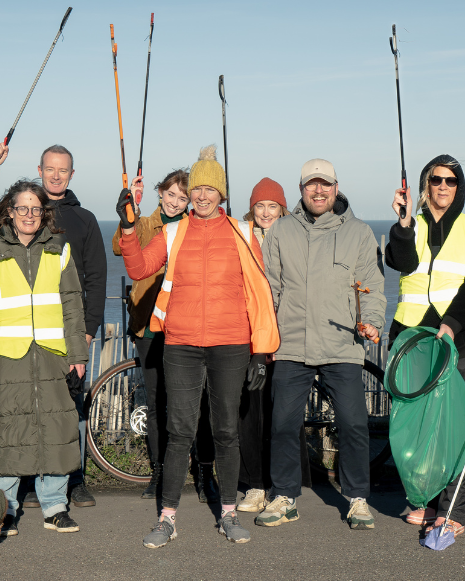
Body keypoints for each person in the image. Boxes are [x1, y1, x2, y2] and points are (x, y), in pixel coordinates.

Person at [117, 145, 279, 548]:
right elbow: (138, 268)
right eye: (197, 189)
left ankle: (227, 513)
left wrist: (262, 350)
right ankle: (167, 518)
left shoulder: (241, 233)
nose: (203, 196)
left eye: (211, 190)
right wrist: (127, 228)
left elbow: (259, 293)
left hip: (231, 344)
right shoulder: (174, 232)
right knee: (179, 432)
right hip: (183, 344)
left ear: (222, 195)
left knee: (226, 431)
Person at [0, 143, 106, 508]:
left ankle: (68, 488)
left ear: (71, 174)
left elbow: (91, 282)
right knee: (17, 420)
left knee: (63, 420)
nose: (57, 175)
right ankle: (18, 494)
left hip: (59, 345)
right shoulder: (10, 226)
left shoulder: (83, 221)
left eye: (63, 170)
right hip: (14, 350)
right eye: (50, 169)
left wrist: (86, 334)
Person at [257, 159, 385, 531]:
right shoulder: (281, 231)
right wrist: (268, 337)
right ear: (301, 190)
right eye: (311, 185)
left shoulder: (359, 233)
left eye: (324, 185)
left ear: (335, 187)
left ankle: (358, 498)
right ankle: (284, 496)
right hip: (291, 344)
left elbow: (373, 286)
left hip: (341, 343)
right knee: (282, 424)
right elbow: (271, 289)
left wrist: (373, 322)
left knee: (354, 423)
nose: (318, 191)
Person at [385, 155, 465, 537]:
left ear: (459, 187)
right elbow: (399, 261)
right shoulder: (408, 226)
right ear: (424, 185)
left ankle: (454, 508)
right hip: (413, 339)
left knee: (459, 428)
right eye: (436, 180)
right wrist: (402, 224)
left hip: (461, 340)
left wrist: (451, 323)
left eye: (451, 181)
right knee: (420, 426)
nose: (443, 186)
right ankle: (426, 501)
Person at [113, 169, 220, 503]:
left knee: (199, 403)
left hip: (186, 326)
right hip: (149, 326)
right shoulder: (146, 225)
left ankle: (204, 471)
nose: (175, 202)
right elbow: (120, 246)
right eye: (171, 194)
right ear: (161, 193)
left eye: (182, 197)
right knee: (158, 402)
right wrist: (129, 214)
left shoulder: (193, 228)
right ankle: (159, 472)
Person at [235, 177, 290, 513]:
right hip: (248, 336)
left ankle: (281, 484)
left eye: (272, 206)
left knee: (280, 415)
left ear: (282, 209)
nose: (266, 212)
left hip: (284, 338)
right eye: (260, 205)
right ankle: (254, 485)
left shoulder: (293, 237)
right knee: (249, 414)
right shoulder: (241, 238)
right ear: (252, 209)